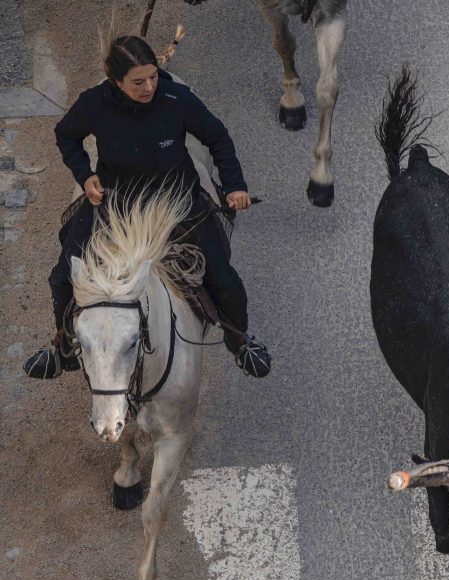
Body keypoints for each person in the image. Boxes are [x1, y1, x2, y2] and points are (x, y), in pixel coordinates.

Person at [23, 35, 271, 379]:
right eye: (138, 82)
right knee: (62, 278)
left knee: (225, 281)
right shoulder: (94, 103)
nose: (150, 87)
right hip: (116, 205)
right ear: (116, 81)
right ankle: (62, 345)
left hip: (177, 203)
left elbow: (218, 138)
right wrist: (85, 175)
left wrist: (235, 185)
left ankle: (239, 340)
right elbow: (66, 134)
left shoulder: (177, 99)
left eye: (153, 76)